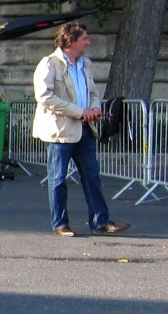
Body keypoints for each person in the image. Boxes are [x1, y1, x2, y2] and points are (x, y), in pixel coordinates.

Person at [32, 22, 130, 237]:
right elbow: (45, 96)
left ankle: (100, 221)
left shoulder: (84, 64)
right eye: (84, 38)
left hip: (85, 129)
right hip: (60, 132)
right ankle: (60, 224)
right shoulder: (49, 63)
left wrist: (94, 109)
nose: (88, 42)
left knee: (92, 177)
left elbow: (93, 92)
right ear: (71, 41)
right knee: (58, 179)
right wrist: (79, 111)